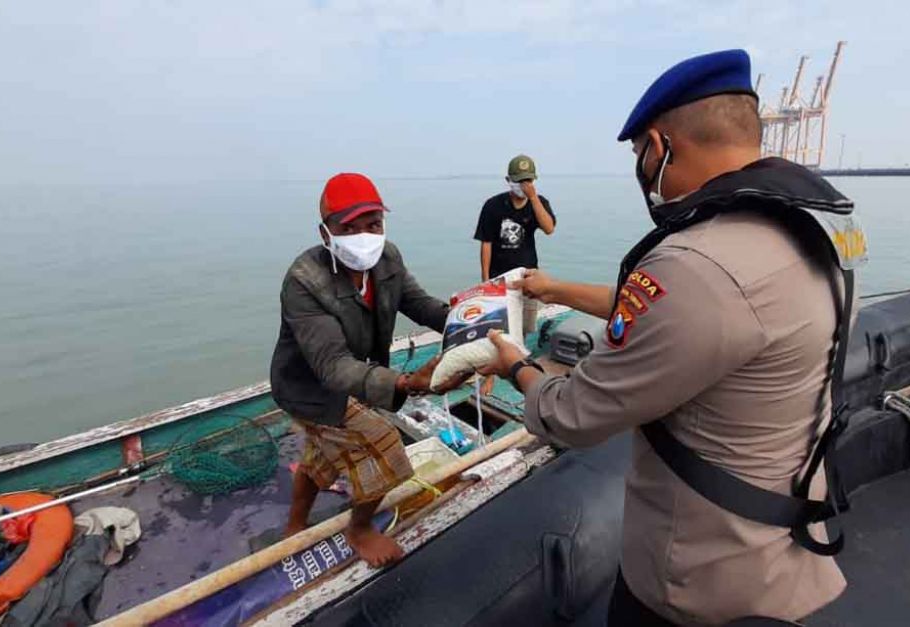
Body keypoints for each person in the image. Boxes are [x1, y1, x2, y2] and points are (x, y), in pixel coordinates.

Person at [477, 50, 867, 625]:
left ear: (659, 146)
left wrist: (515, 367)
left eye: (639, 153)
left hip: (697, 578)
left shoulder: (694, 262)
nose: (641, 167)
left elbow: (573, 417)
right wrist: (557, 290)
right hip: (784, 537)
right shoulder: (823, 223)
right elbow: (702, 319)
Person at [269, 173, 466, 567]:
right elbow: (332, 366)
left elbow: (422, 306)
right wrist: (406, 383)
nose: (364, 236)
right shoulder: (304, 280)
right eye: (349, 227)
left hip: (357, 377)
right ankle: (359, 529)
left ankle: (294, 525)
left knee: (318, 457)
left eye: (372, 224)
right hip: (310, 387)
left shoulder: (387, 258)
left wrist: (470, 319)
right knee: (387, 448)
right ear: (326, 234)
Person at [474, 154, 556, 394]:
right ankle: (488, 376)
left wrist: (533, 198)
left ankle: (518, 368)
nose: (523, 185)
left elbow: (549, 228)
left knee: (525, 328)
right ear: (508, 180)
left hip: (528, 277)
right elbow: (486, 243)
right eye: (519, 181)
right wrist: (486, 279)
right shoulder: (493, 206)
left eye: (528, 180)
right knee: (497, 330)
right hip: (500, 279)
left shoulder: (539, 202)